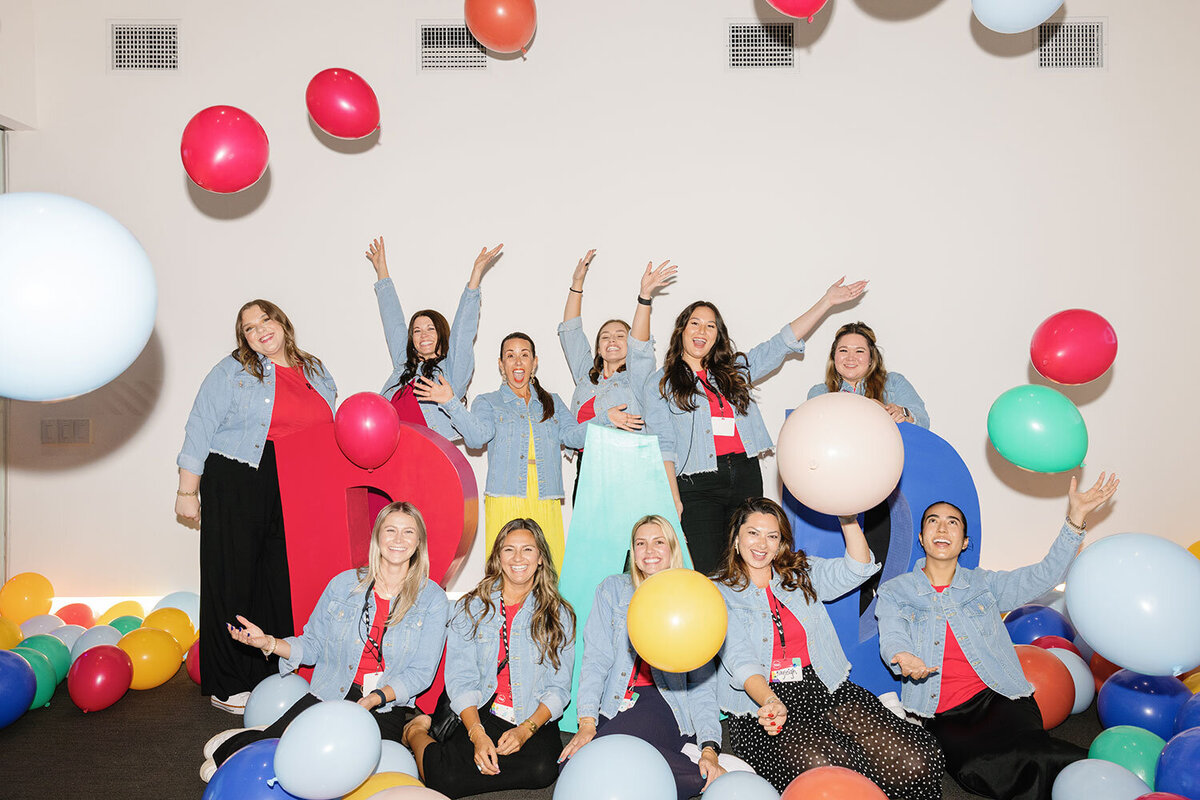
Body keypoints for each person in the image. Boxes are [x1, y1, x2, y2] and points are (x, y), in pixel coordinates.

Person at [875, 472, 1119, 800]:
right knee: (977, 767)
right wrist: (902, 655)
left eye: (952, 523)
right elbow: (891, 633)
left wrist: (1075, 520)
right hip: (942, 712)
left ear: (963, 542)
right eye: (933, 521)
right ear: (921, 537)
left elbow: (1044, 574)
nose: (942, 528)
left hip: (998, 697)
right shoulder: (896, 591)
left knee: (1031, 752)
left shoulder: (984, 585)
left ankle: (1100, 778)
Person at [200, 501, 449, 781]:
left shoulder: (433, 600)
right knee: (274, 751)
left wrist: (373, 699)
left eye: (408, 532)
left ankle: (272, 731)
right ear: (377, 536)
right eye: (390, 530)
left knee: (341, 768)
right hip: (332, 689)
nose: (398, 540)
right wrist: (268, 643)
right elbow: (313, 645)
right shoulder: (343, 585)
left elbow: (420, 674)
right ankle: (257, 737)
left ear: (419, 542)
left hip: (384, 703)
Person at [714, 497, 944, 798]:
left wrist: (847, 519)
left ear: (781, 542)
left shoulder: (799, 574)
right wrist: (769, 702)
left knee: (918, 758)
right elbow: (740, 659)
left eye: (772, 536)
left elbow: (858, 569)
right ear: (736, 538)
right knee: (831, 769)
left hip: (822, 686)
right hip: (761, 703)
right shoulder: (718, 591)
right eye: (753, 533)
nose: (762, 544)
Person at [640, 278, 867, 575]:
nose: (702, 331)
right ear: (681, 330)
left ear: (717, 335)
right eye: (694, 323)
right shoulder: (662, 384)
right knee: (708, 570)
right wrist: (673, 498)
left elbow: (779, 344)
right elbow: (663, 446)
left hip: (744, 475)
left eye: (711, 326)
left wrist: (826, 302)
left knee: (748, 567)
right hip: (697, 486)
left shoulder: (733, 372)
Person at [176, 299, 337, 714]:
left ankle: (272, 673)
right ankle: (228, 683)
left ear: (281, 322)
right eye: (249, 328)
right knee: (232, 578)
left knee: (280, 579)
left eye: (265, 320)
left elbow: (331, 427)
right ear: (243, 338)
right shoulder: (232, 370)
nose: (259, 330)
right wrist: (187, 490)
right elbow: (200, 424)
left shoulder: (315, 370)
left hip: (296, 481)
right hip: (238, 475)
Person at [403, 519, 575, 799]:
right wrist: (477, 734)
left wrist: (525, 731)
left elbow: (559, 688)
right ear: (498, 557)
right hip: (484, 709)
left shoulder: (559, 614)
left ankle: (479, 757)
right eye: (509, 550)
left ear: (540, 557)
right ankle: (415, 731)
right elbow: (460, 680)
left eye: (527, 550)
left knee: (543, 770)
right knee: (444, 780)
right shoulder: (471, 608)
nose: (518, 558)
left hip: (532, 713)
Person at [559, 515, 724, 800]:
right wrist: (586, 723)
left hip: (664, 703)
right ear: (633, 553)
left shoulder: (694, 596)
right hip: (616, 702)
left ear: (673, 549)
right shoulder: (612, 590)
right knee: (570, 767)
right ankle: (689, 772)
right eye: (641, 543)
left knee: (591, 766)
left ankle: (701, 770)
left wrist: (709, 747)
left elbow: (703, 684)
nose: (649, 551)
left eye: (659, 542)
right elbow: (595, 661)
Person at [415, 333, 585, 571]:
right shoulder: (488, 402)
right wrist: (450, 402)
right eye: (510, 355)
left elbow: (572, 436)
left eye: (524, 355)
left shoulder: (552, 402)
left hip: (546, 497)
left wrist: (607, 420)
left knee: (549, 569)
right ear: (501, 363)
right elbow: (476, 439)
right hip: (505, 495)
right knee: (505, 569)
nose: (518, 362)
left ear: (534, 362)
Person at [557, 251, 677, 501]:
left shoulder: (637, 379)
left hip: (628, 469)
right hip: (588, 470)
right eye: (605, 336)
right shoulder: (586, 378)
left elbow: (641, 347)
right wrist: (577, 283)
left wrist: (644, 298)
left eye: (620, 335)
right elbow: (570, 332)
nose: (612, 340)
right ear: (598, 348)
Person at [365, 235, 502, 438]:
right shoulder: (403, 365)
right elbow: (392, 321)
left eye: (430, 328)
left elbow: (462, 333)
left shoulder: (452, 370)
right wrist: (381, 270)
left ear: (441, 334)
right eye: (417, 331)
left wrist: (475, 278)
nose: (423, 335)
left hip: (430, 458)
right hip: (392, 457)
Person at [806, 321, 929, 428]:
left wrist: (902, 413)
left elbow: (923, 422)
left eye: (859, 351)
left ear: (871, 358)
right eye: (843, 350)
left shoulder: (893, 382)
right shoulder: (820, 393)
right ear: (834, 356)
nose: (850, 358)